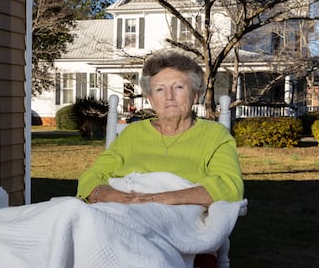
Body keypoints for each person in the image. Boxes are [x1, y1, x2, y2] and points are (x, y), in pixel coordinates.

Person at [77, 49, 244, 206]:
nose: (169, 96)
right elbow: (92, 178)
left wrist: (162, 199)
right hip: (123, 208)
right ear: (151, 99)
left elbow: (229, 186)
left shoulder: (215, 135)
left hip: (177, 218)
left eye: (178, 87)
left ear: (195, 95)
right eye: (159, 90)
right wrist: (123, 199)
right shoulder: (133, 133)